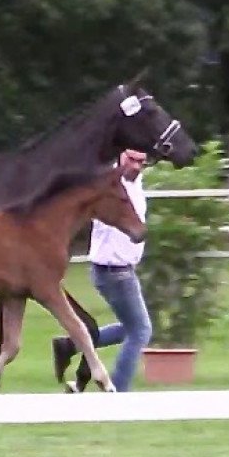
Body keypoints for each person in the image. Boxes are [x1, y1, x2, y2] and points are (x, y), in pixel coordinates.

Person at [52, 149, 151, 392]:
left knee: (129, 328)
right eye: (132, 159)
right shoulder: (108, 186)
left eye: (141, 161)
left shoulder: (135, 183)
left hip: (119, 270)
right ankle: (117, 388)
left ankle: (71, 344)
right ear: (120, 157)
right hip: (115, 271)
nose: (136, 166)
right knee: (140, 331)